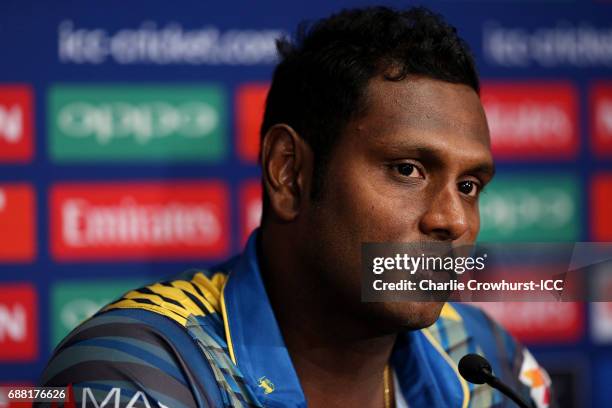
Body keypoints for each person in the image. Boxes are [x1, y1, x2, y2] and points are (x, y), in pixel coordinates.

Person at [39, 6, 554, 408]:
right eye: (407, 170)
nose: (454, 221)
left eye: (469, 185)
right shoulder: (133, 368)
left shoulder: (485, 356)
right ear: (290, 172)